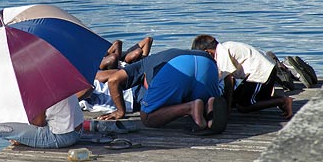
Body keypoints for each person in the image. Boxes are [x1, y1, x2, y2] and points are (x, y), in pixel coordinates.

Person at [97, 48, 228, 134]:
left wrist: (120, 111)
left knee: (147, 118)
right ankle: (208, 105)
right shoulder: (156, 58)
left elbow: (114, 80)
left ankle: (190, 108)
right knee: (195, 94)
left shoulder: (141, 65)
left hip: (175, 65)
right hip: (208, 62)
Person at [191, 34, 293, 119]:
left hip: (260, 73)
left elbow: (229, 81)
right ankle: (277, 100)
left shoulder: (222, 52)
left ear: (207, 52)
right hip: (258, 72)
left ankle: (283, 100)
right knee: (243, 99)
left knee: (244, 106)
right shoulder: (226, 47)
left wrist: (227, 111)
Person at [0, 92, 86, 148]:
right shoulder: (52, 75)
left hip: (62, 137)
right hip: (77, 130)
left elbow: (39, 123)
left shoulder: (35, 86)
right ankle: (24, 138)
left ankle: (23, 139)